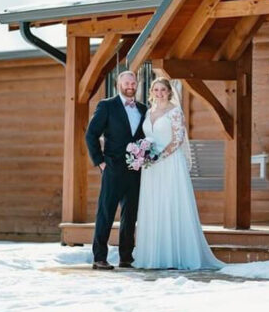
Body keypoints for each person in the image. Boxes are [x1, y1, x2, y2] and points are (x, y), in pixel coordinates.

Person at [133, 77, 223, 270]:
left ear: (169, 92)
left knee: (171, 203)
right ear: (151, 92)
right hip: (151, 168)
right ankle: (155, 256)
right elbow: (148, 137)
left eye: (162, 90)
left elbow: (178, 140)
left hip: (170, 163)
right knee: (154, 205)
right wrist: (143, 152)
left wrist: (159, 156)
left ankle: (176, 255)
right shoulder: (149, 112)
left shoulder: (175, 112)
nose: (159, 93)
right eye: (156, 90)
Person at [85, 70, 147, 270]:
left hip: (136, 169)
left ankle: (126, 257)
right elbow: (91, 134)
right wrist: (100, 161)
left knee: (130, 215)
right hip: (112, 167)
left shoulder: (143, 109)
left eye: (133, 83)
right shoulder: (107, 105)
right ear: (118, 85)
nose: (130, 86)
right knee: (106, 212)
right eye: (126, 83)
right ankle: (99, 257)